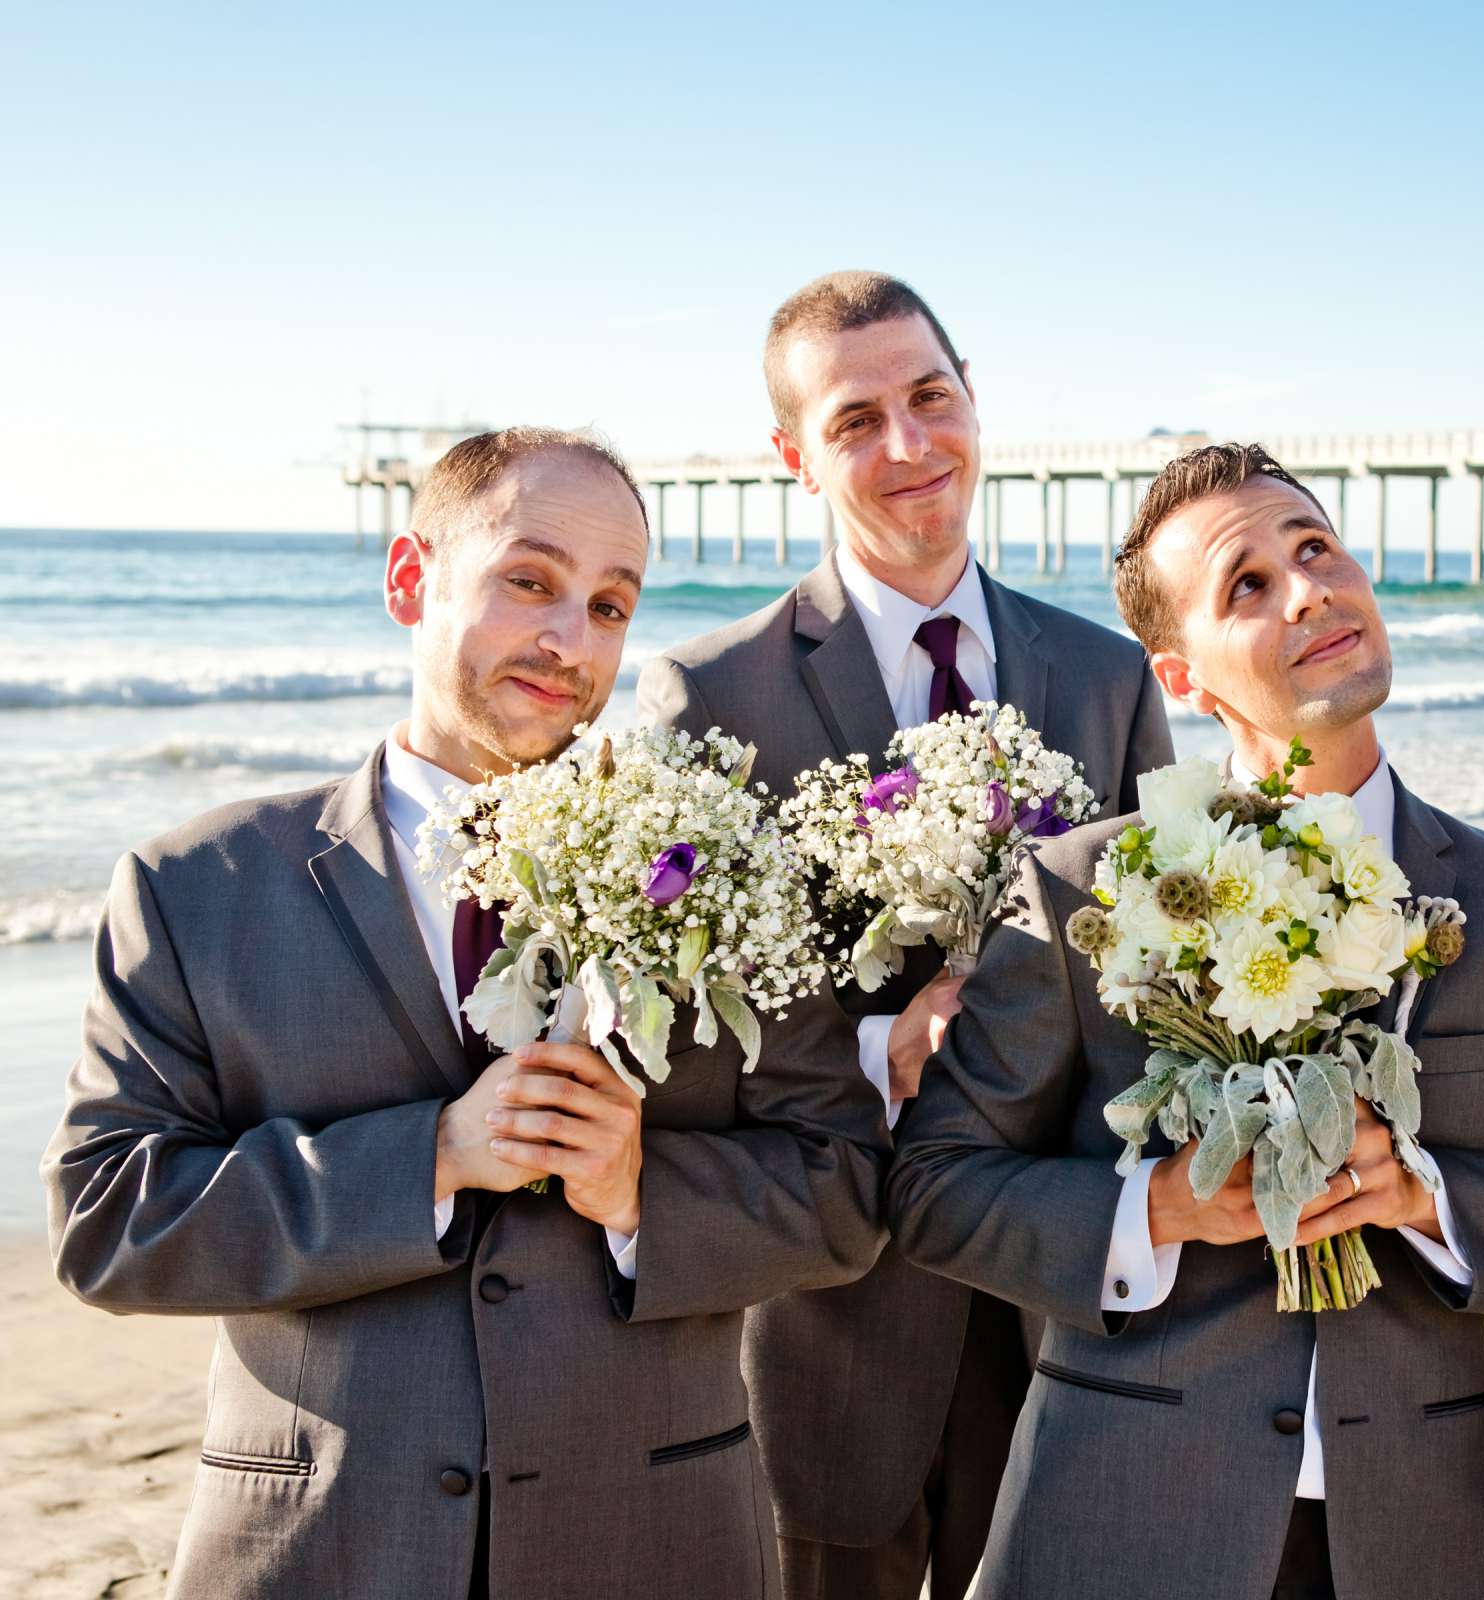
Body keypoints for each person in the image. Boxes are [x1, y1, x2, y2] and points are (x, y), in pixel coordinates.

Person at [44, 427, 891, 1598]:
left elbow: (844, 1192)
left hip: (656, 1542)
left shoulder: (731, 873)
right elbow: (106, 1216)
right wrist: (429, 1159)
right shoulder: (196, 885)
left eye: (608, 606)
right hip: (323, 1545)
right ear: (411, 578)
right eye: (529, 582)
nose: (568, 640)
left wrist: (641, 1193)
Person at [887, 442, 1484, 1599]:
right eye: (1246, 585)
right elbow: (934, 1186)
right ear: (1181, 677)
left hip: (1418, 1536)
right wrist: (1154, 1209)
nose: (1308, 591)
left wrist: (1423, 1195)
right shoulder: (1079, 890)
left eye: (1314, 548)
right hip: (1119, 1526)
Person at [637, 271, 1174, 1600]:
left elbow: (1166, 960)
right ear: (794, 456)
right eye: (856, 418)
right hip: (838, 1327)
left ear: (974, 400)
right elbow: (692, 1041)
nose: (908, 446)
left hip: (1061, 1309)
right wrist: (883, 1045)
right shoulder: (709, 694)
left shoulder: (1105, 678)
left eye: (931, 398)